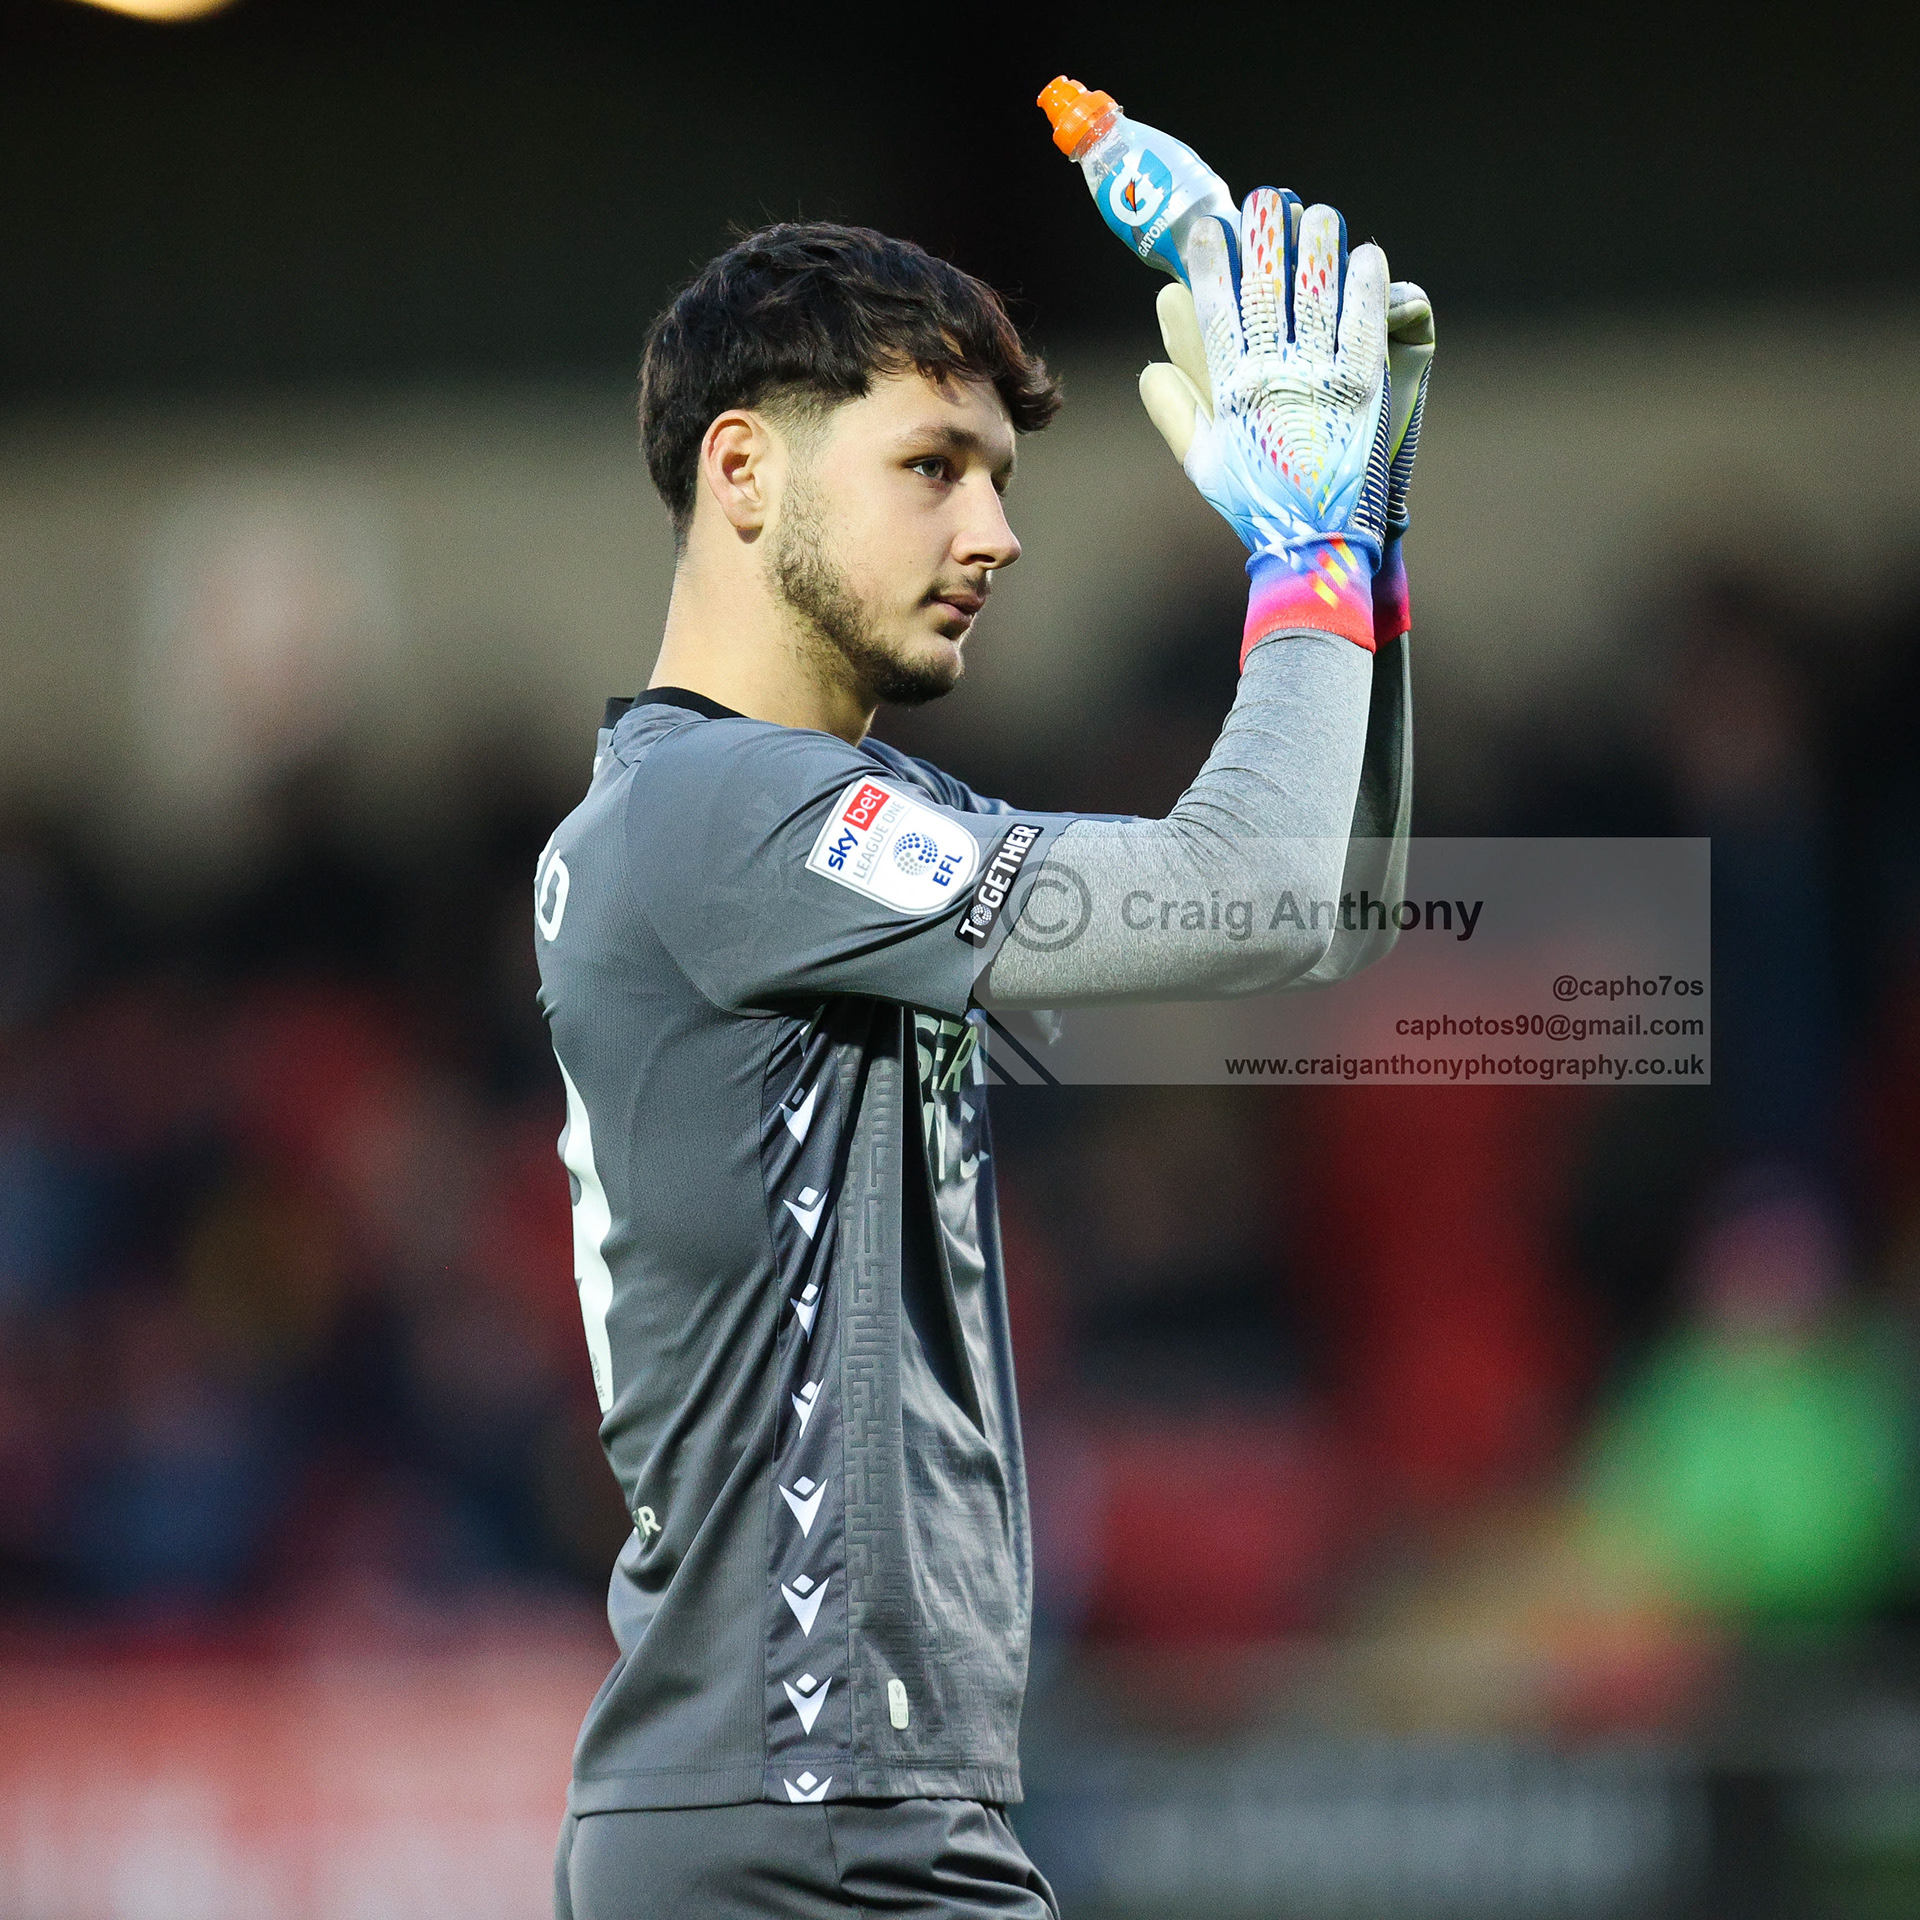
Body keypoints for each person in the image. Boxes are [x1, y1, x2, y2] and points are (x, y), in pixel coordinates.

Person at [537, 207, 1426, 1918]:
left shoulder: (798, 829)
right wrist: (1300, 540)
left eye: (998, 478)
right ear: (744, 470)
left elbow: (1324, 913)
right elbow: (1250, 889)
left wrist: (1363, 526)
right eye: (933, 466)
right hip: (811, 1818)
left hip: (805, 1810)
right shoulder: (726, 818)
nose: (996, 532)